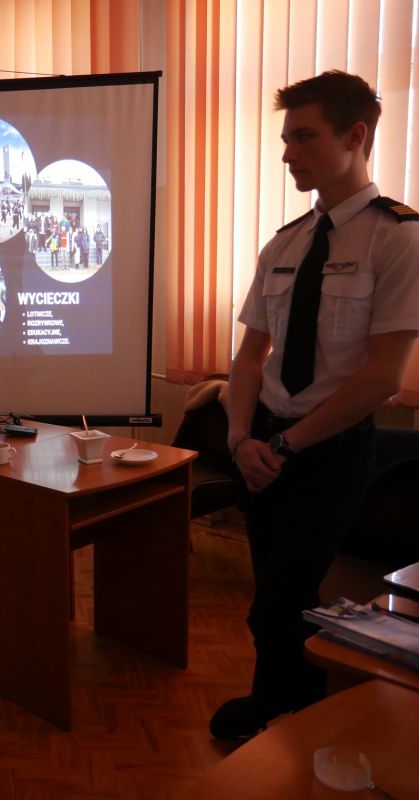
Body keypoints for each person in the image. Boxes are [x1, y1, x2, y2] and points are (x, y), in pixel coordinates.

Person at [212, 70, 419, 740]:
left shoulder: (397, 238)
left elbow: (382, 376)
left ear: (355, 136)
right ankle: (292, 708)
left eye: (303, 137)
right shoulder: (286, 241)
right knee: (276, 590)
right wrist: (240, 438)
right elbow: (249, 357)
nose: (287, 154)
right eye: (285, 139)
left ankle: (276, 711)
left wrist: (283, 446)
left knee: (280, 598)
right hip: (262, 445)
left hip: (328, 450)